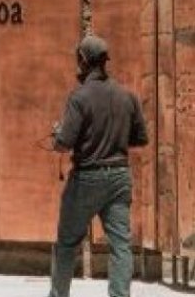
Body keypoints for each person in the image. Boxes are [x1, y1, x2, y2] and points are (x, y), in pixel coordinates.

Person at [48, 34, 148, 297]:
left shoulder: (79, 97)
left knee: (67, 244)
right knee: (120, 246)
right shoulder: (128, 96)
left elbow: (64, 143)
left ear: (83, 60)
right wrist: (114, 138)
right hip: (119, 177)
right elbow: (140, 139)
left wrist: (57, 135)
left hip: (87, 179)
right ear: (105, 61)